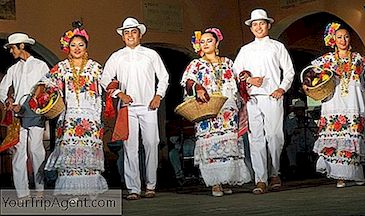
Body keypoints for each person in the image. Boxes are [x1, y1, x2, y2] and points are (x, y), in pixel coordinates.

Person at [100, 17, 169, 200]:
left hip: (148, 106)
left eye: (133, 32)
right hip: (127, 108)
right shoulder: (117, 56)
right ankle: (133, 188)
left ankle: (151, 185)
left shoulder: (150, 54)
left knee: (151, 143)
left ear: (140, 34)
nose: (130, 35)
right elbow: (104, 78)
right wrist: (118, 94)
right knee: (130, 147)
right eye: (126, 33)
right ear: (122, 37)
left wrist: (158, 95)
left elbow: (163, 77)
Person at [181, 27, 251, 197]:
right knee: (210, 143)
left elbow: (237, 80)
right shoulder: (196, 64)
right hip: (207, 110)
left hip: (228, 111)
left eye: (209, 41)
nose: (205, 44)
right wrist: (197, 86)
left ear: (217, 42)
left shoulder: (227, 62)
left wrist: (245, 77)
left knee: (228, 144)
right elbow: (187, 82)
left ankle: (226, 179)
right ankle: (215, 182)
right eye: (202, 41)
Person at [232, 8, 295, 194]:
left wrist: (282, 88)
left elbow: (289, 71)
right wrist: (249, 80)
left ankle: (275, 171)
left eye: (261, 23)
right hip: (252, 99)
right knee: (255, 138)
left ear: (268, 25)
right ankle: (261, 179)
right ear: (251, 28)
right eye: (255, 24)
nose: (258, 27)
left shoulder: (277, 47)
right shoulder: (245, 50)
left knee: (275, 136)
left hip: (272, 96)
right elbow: (235, 74)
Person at [42, 22, 108, 198]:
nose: (77, 48)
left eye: (81, 45)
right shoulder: (62, 67)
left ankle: (90, 189)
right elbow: (46, 84)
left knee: (88, 151)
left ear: (86, 46)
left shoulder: (95, 68)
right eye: (73, 45)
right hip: (70, 116)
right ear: (67, 47)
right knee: (70, 151)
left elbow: (109, 85)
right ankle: (71, 190)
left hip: (91, 117)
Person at [310, 22, 365, 188]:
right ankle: (339, 176)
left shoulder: (358, 59)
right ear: (333, 39)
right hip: (333, 103)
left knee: (353, 136)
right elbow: (310, 74)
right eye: (339, 37)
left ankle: (356, 173)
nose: (343, 40)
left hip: (354, 103)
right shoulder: (326, 60)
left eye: (346, 36)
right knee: (336, 139)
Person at [0, 33, 49, 199]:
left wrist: (38, 101)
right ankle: (22, 193)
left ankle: (40, 189)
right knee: (19, 153)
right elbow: (2, 89)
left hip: (35, 114)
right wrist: (8, 100)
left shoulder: (41, 66)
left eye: (12, 47)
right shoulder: (13, 69)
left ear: (22, 46)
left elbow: (48, 87)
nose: (10, 51)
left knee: (36, 151)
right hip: (17, 116)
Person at [284, 99, 317, 176]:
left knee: (317, 147)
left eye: (301, 109)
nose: (300, 111)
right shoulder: (290, 119)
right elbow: (289, 131)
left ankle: (316, 167)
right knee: (290, 149)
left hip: (308, 140)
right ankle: (293, 167)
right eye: (298, 109)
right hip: (296, 141)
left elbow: (315, 129)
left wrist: (308, 124)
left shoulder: (308, 119)